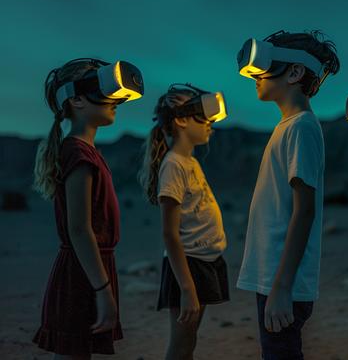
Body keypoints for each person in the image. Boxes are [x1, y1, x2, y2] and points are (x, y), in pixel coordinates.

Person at [236, 30, 341, 359]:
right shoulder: (289, 125)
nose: (255, 76)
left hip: (283, 283)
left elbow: (304, 211)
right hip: (274, 278)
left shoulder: (301, 128)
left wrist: (281, 287)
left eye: (263, 67)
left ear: (294, 72)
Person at [33, 58, 143, 359]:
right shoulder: (78, 154)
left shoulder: (87, 152)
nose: (115, 100)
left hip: (90, 268)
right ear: (77, 99)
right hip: (82, 275)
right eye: (102, 88)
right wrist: (102, 289)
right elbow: (80, 229)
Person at [139, 83, 229, 360]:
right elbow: (170, 234)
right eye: (204, 118)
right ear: (181, 120)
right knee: (181, 343)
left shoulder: (190, 162)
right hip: (187, 266)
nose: (210, 125)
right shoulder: (174, 165)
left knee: (190, 340)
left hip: (204, 261)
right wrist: (187, 289)